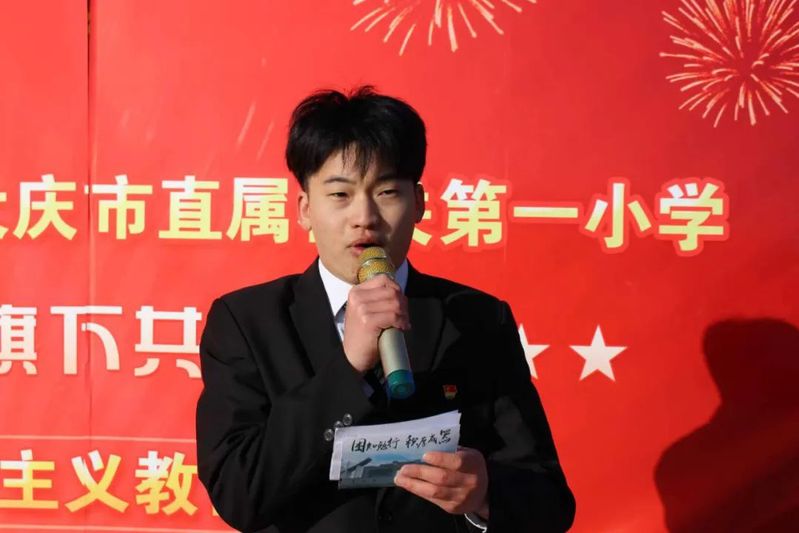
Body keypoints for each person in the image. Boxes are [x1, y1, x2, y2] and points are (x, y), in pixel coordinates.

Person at [196, 86, 575, 533]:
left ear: (419, 203)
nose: (365, 217)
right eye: (340, 194)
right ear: (304, 209)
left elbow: (549, 501)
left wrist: (485, 494)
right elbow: (239, 494)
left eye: (387, 191)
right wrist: (347, 368)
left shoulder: (477, 319)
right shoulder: (246, 322)